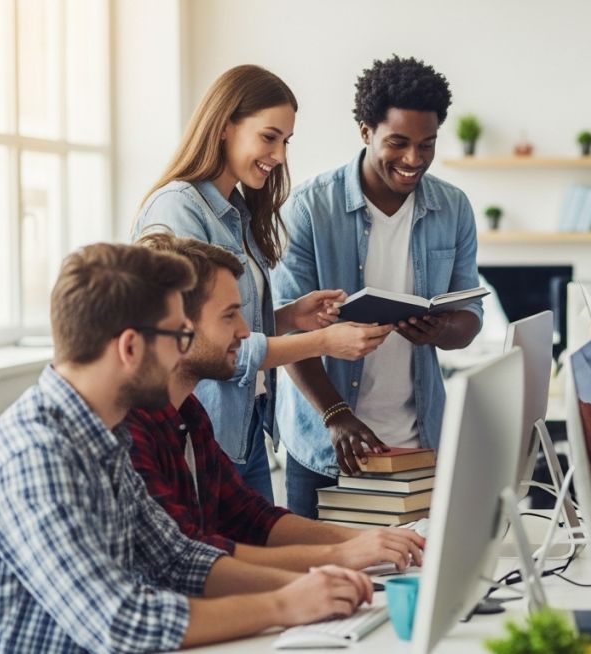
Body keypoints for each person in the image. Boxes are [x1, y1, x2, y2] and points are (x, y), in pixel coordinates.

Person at [0, 243, 374, 652]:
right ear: (131, 348)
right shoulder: (35, 456)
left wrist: (317, 585)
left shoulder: (102, 432)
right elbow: (121, 622)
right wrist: (286, 604)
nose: (184, 350)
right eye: (178, 335)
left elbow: (176, 558)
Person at [136, 64, 391, 502]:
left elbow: (228, 325)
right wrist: (325, 342)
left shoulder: (237, 210)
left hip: (246, 430)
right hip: (199, 435)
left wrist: (290, 316)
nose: (280, 155)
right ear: (224, 127)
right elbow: (204, 346)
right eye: (269, 137)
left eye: (286, 141)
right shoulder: (179, 210)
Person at [125, 233, 426, 572]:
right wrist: (339, 557)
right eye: (230, 315)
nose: (244, 330)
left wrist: (365, 540)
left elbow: (249, 516)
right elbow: (184, 561)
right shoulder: (129, 433)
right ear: (178, 325)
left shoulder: (190, 415)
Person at [272, 56, 483, 518]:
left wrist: (441, 330)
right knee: (323, 583)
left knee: (412, 582)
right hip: (328, 444)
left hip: (418, 441)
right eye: (398, 143)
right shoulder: (309, 210)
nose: (414, 160)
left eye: (427, 145)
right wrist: (336, 415)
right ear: (365, 131)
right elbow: (288, 330)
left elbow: (471, 319)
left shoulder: (454, 208)